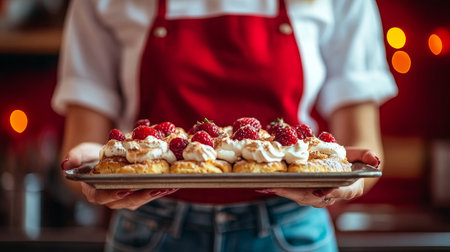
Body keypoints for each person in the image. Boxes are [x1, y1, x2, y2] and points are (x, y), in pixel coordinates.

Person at [52, 0, 397, 251]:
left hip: (291, 231)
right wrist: (91, 172)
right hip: (150, 229)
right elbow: (85, 151)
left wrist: (343, 181)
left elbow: (362, 147)